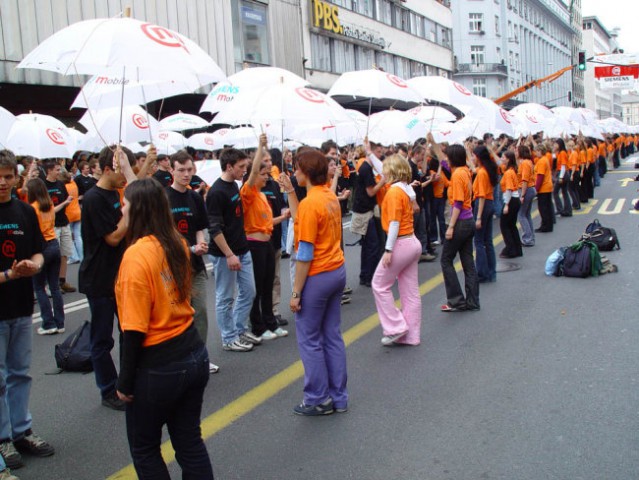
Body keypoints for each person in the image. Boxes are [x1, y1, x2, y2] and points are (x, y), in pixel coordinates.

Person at [115, 178, 214, 480]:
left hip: (159, 364)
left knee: (145, 449)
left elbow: (132, 329)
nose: (122, 209)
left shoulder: (135, 256)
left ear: (139, 210)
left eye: (125, 204)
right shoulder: (176, 241)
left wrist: (125, 382)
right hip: (194, 352)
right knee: (189, 441)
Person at [0, 150, 55, 475]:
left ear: (17, 177)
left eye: (8, 176)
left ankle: (21, 431)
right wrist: (8, 275)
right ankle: (3, 437)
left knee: (20, 372)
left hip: (21, 306)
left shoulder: (24, 210)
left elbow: (38, 248)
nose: (3, 182)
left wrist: (33, 264)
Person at [79, 145, 139, 411]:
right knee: (102, 339)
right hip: (99, 278)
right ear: (107, 169)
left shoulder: (116, 193)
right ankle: (108, 389)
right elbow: (113, 237)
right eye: (121, 170)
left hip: (119, 275)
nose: (125, 177)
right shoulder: (93, 198)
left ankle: (127, 384)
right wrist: (130, 212)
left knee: (128, 331)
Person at [290, 149, 347, 416]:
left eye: (297, 168)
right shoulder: (328, 196)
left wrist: (296, 291)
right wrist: (290, 194)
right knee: (332, 335)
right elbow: (303, 222)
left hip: (318, 274)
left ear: (307, 172)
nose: (294, 173)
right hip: (336, 269)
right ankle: (338, 396)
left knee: (309, 338)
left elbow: (304, 253)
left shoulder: (310, 202)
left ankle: (317, 398)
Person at [166, 150, 219, 374]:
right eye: (181, 170)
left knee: (200, 314)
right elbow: (163, 236)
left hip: (195, 267)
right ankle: (179, 359)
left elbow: (200, 226)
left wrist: (201, 243)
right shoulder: (163, 197)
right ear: (171, 170)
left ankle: (200, 356)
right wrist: (189, 248)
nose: (186, 174)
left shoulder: (195, 197)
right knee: (177, 317)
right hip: (172, 268)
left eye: (189, 170)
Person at [206, 148, 261, 352]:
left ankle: (239, 329)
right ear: (229, 166)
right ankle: (228, 338)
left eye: (245, 166)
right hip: (224, 254)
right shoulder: (216, 192)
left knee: (249, 291)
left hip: (242, 248)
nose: (244, 170)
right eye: (241, 167)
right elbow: (214, 228)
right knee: (225, 297)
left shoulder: (234, 186)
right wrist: (229, 254)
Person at [240, 135, 289, 341]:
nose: (266, 177)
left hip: (267, 242)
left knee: (268, 284)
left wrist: (283, 217)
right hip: (254, 244)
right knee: (258, 287)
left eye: (267, 174)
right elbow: (252, 173)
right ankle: (258, 326)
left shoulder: (261, 195)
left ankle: (270, 322)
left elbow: (268, 222)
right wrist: (261, 147)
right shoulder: (248, 192)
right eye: (263, 174)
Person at [372, 154, 422, 346]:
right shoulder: (405, 188)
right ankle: (412, 335)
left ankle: (396, 327)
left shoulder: (393, 192)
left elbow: (394, 223)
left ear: (391, 171)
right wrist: (369, 152)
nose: (382, 171)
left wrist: (388, 249)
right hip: (411, 242)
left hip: (400, 242)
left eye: (385, 169)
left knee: (379, 284)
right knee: (410, 292)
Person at [430, 138, 479, 313]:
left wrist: (450, 227)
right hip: (469, 220)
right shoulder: (464, 170)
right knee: (468, 262)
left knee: (446, 260)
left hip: (460, 222)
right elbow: (441, 158)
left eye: (449, 156)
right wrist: (432, 141)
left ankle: (456, 300)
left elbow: (457, 203)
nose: (446, 159)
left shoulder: (458, 175)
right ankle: (472, 301)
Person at [26, 178, 68, 335]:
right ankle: (60, 322)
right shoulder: (49, 205)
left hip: (41, 247)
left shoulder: (32, 209)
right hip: (53, 244)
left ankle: (48, 323)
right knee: (54, 286)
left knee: (39, 287)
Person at [42, 160, 76, 293]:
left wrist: (66, 203)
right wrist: (64, 204)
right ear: (49, 170)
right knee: (53, 255)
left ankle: (62, 280)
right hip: (51, 225)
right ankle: (51, 282)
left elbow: (65, 200)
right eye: (57, 169)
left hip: (64, 222)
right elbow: (47, 210)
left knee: (64, 253)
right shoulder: (43, 186)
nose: (59, 172)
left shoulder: (61, 184)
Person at [472, 145, 498, 283]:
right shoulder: (489, 168)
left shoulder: (482, 173)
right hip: (490, 203)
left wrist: (478, 217)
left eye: (473, 156)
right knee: (488, 240)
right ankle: (491, 271)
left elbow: (481, 196)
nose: (472, 158)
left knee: (479, 241)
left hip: (483, 204)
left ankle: (482, 272)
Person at [499, 151, 523, 259]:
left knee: (504, 226)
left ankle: (510, 249)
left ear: (508, 159)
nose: (502, 158)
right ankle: (517, 249)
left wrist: (506, 204)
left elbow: (508, 189)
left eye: (503, 157)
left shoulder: (509, 173)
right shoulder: (511, 170)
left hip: (511, 200)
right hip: (515, 199)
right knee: (512, 225)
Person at [516, 145, 536, 247]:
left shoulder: (524, 163)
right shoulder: (528, 162)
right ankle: (531, 237)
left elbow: (524, 180)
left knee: (521, 215)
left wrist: (522, 195)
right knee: (527, 214)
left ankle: (527, 238)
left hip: (526, 189)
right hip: (530, 189)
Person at [534, 144, 555, 233]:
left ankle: (545, 225)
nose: (536, 153)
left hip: (543, 187)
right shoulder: (545, 159)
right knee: (547, 206)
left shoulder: (542, 161)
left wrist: (536, 188)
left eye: (537, 151)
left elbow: (540, 176)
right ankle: (548, 225)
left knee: (543, 208)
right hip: (548, 186)